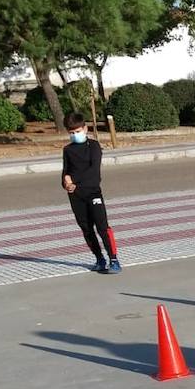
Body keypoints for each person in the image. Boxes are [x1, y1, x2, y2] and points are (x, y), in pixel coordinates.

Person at [61, 112, 121, 274]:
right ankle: (99, 259)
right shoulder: (67, 150)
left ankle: (113, 259)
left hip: (93, 193)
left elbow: (94, 173)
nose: (75, 135)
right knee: (86, 229)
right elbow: (65, 171)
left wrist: (73, 180)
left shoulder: (94, 146)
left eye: (77, 131)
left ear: (85, 129)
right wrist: (66, 183)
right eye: (71, 133)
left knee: (102, 227)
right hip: (76, 196)